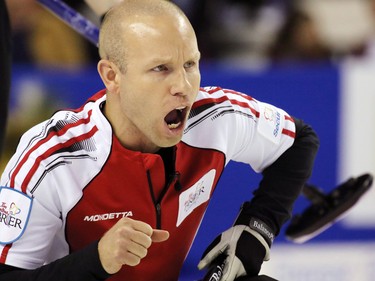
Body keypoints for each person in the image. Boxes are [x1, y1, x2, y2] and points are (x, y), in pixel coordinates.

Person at [0, 0, 319, 280]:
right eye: (160, 68)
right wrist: (96, 259)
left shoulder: (214, 116)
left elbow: (299, 141)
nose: (183, 86)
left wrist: (256, 229)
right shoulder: (51, 157)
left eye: (190, 65)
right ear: (112, 76)